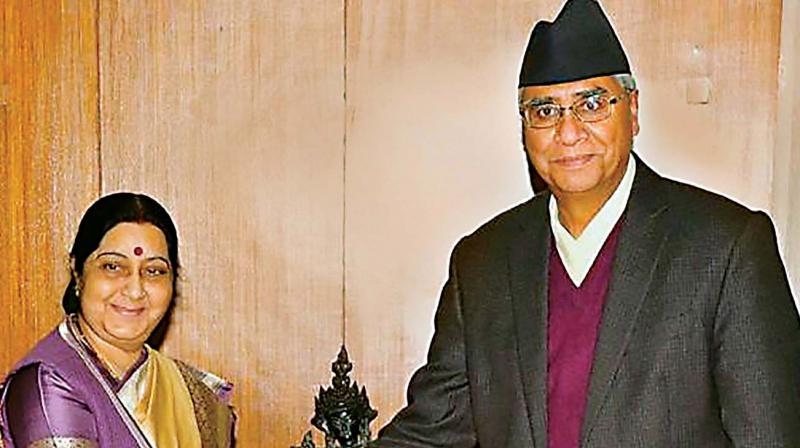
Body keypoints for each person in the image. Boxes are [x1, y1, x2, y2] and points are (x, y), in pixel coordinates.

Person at [373, 0, 800, 446]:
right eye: (544, 111)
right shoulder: (482, 263)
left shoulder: (725, 249)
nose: (569, 132)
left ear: (631, 111)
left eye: (591, 104)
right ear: (524, 129)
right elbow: (432, 432)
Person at [0, 192, 236, 447]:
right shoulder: (47, 384)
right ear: (78, 272)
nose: (135, 290)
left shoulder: (192, 394)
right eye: (113, 267)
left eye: (154, 271)